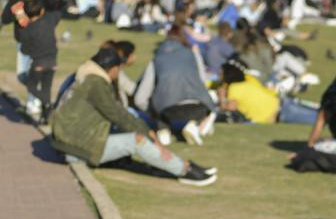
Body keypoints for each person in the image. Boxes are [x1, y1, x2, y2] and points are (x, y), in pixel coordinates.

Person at [50, 47, 215, 186]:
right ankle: (184, 169)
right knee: (138, 140)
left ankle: (169, 163)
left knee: (127, 130)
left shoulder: (84, 76)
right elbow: (117, 114)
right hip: (76, 148)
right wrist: (148, 133)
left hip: (66, 142)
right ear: (113, 68)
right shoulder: (96, 83)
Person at [146, 25, 217, 145]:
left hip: (166, 110)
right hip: (197, 107)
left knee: (157, 100)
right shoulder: (192, 54)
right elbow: (203, 80)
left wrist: (150, 110)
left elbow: (142, 95)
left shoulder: (157, 59)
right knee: (211, 100)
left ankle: (164, 131)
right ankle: (194, 125)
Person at [218, 57, 319, 124]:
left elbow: (230, 108)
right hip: (283, 103)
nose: (219, 75)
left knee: (320, 120)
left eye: (221, 73)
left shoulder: (234, 88)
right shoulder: (248, 80)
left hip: (282, 112)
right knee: (321, 114)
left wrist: (221, 97)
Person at [15, 0, 65, 123]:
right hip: (53, 62)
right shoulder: (49, 19)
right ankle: (45, 118)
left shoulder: (27, 30)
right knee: (46, 88)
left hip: (38, 63)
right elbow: (58, 12)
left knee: (32, 87)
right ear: (42, 11)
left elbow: (23, 50)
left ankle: (48, 104)